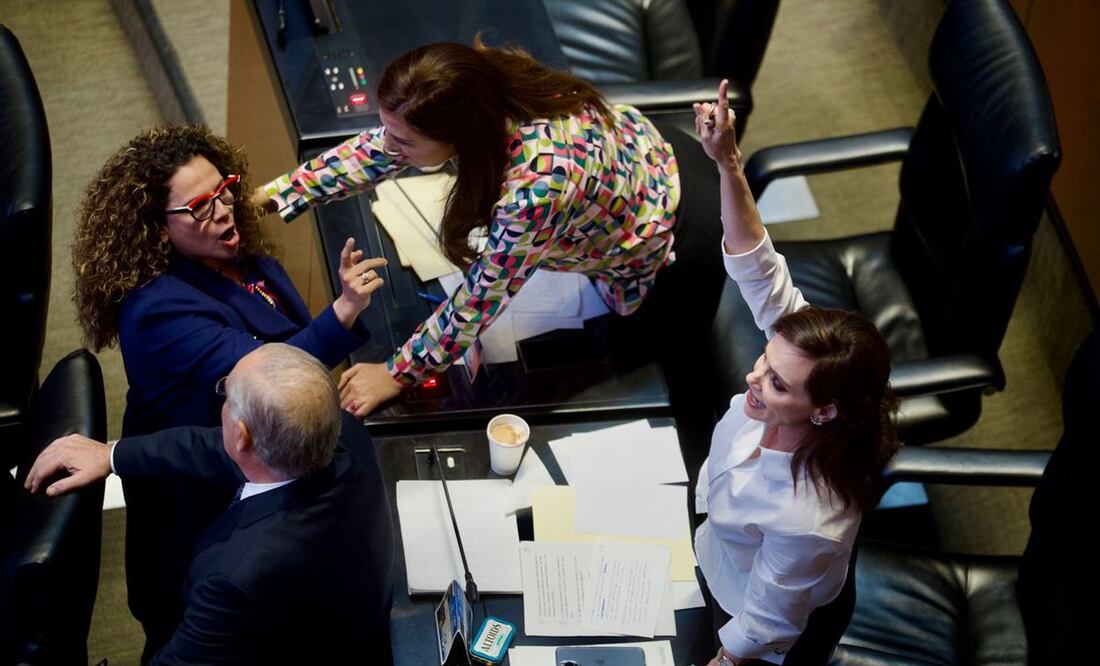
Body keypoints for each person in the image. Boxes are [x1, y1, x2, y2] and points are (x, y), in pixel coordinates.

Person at [253, 40, 727, 417]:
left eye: (404, 140)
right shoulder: (474, 82)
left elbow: (479, 301)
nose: (389, 145)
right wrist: (273, 196)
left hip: (680, 241)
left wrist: (397, 373)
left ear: (460, 137)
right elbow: (379, 148)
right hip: (655, 153)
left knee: (622, 367)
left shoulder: (535, 188)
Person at [70, 125, 388, 660]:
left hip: (256, 465)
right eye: (198, 206)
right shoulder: (157, 312)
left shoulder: (243, 258)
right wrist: (342, 312)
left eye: (224, 190)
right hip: (196, 493)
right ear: (157, 228)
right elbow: (271, 379)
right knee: (192, 622)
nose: (222, 210)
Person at [691, 84, 900, 665]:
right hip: (720, 545)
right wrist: (727, 162)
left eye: (778, 383)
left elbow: (764, 622)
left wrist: (722, 659)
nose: (755, 378)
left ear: (824, 410)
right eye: (766, 360)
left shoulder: (813, 518)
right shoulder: (803, 359)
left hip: (750, 613)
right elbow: (758, 265)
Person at [24, 344, 395, 665]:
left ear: (241, 435)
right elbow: (211, 447)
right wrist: (111, 455)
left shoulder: (235, 578)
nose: (223, 404)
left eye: (227, 396)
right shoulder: (343, 434)